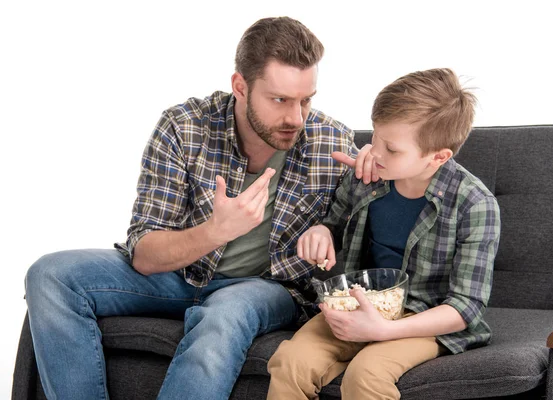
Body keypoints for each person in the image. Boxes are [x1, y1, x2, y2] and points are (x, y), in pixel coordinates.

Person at [24, 16, 375, 400]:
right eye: (280, 100)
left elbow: (368, 212)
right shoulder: (185, 127)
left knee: (224, 314)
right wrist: (216, 231)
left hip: (266, 288)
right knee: (51, 276)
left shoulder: (330, 141)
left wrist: (381, 168)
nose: (296, 117)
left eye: (306, 100)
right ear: (240, 86)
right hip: (180, 275)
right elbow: (144, 252)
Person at [267, 68, 502, 400]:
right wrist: (320, 232)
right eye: (375, 137)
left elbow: (465, 307)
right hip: (356, 304)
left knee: (366, 376)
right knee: (290, 363)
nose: (374, 152)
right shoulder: (368, 175)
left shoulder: (474, 205)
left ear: (438, 157)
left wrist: (385, 330)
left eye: (391, 149)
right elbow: (331, 226)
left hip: (422, 318)